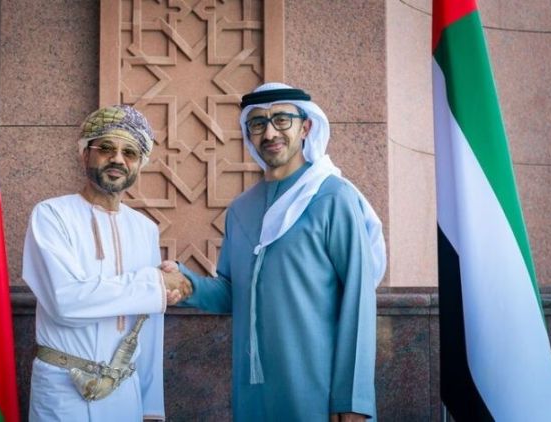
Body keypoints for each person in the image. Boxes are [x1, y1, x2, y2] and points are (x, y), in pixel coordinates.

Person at [162, 83, 387, 421]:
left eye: (282, 120)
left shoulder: (333, 198)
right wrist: (187, 284)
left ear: (305, 127)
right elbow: (233, 291)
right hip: (252, 392)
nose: (270, 133)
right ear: (249, 135)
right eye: (258, 123)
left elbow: (358, 297)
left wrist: (353, 399)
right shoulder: (241, 209)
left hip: (320, 391)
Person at [23, 105, 191, 421]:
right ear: (85, 154)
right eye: (106, 148)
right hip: (63, 390)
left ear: (139, 164)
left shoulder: (145, 229)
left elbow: (148, 325)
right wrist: (154, 284)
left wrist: (151, 407)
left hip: (126, 393)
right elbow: (66, 301)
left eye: (130, 153)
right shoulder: (52, 215)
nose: (118, 159)